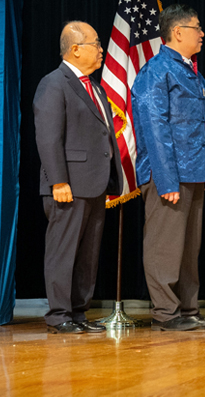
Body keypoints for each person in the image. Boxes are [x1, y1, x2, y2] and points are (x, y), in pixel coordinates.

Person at [132, 4, 205, 331]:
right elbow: (154, 128)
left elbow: (203, 122)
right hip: (168, 176)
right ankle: (166, 314)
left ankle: (188, 311)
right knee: (164, 247)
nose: (202, 34)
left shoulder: (191, 71)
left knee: (188, 249)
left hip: (195, 172)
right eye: (197, 27)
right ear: (178, 32)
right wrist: (166, 180)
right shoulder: (156, 71)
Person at [33, 21, 122, 334]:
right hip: (68, 185)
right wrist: (58, 181)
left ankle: (79, 313)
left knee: (88, 254)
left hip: (94, 184)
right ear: (75, 49)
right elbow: (48, 138)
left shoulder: (94, 86)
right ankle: (59, 315)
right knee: (63, 252)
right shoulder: (53, 84)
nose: (101, 50)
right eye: (96, 44)